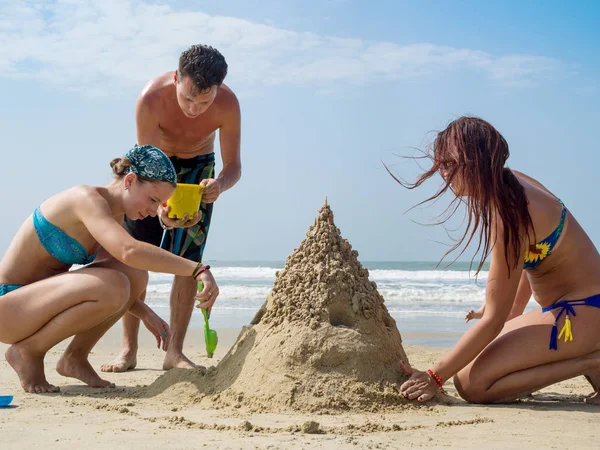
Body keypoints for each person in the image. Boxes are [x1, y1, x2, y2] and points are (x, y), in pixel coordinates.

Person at [394, 117, 600, 405]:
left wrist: (434, 375)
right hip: (574, 311)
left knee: (470, 384)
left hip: (582, 314)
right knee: (470, 364)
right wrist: (512, 316)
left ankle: (591, 362)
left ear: (474, 162)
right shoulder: (512, 183)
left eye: (447, 164)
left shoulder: (509, 213)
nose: (441, 173)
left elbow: (492, 321)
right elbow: (532, 259)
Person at [0, 145, 218, 393]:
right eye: (153, 200)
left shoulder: (113, 215)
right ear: (130, 180)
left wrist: (145, 312)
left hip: (37, 305)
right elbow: (129, 251)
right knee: (118, 279)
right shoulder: (85, 199)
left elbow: (113, 272)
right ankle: (27, 352)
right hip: (9, 307)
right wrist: (198, 269)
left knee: (133, 275)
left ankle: (75, 357)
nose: (154, 210)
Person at [102, 44, 241, 372]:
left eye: (204, 102)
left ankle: (174, 352)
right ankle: (128, 350)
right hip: (154, 167)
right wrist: (161, 206)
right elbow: (150, 165)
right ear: (177, 78)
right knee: (135, 255)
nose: (194, 109)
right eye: (188, 98)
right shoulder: (151, 99)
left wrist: (219, 185)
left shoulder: (228, 105)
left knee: (188, 260)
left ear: (218, 90)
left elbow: (234, 165)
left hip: (199, 171)